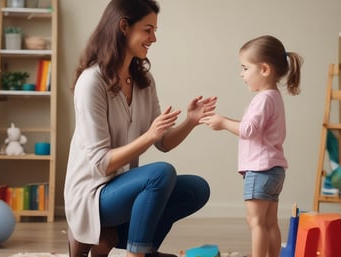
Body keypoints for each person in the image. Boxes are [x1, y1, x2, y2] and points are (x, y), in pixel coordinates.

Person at [63, 1, 217, 257]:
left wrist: (190, 120)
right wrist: (148, 136)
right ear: (124, 27)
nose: (153, 38)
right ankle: (137, 253)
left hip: (121, 187)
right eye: (148, 29)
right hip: (92, 194)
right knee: (160, 174)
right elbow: (102, 164)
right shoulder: (91, 82)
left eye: (154, 30)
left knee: (196, 188)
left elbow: (163, 142)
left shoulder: (143, 81)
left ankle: (142, 248)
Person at [200, 35, 303, 257]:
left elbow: (248, 130)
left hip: (260, 170)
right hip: (274, 170)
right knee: (269, 223)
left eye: (245, 68)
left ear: (264, 69)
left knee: (255, 222)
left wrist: (222, 123)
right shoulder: (273, 96)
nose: (242, 74)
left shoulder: (263, 99)